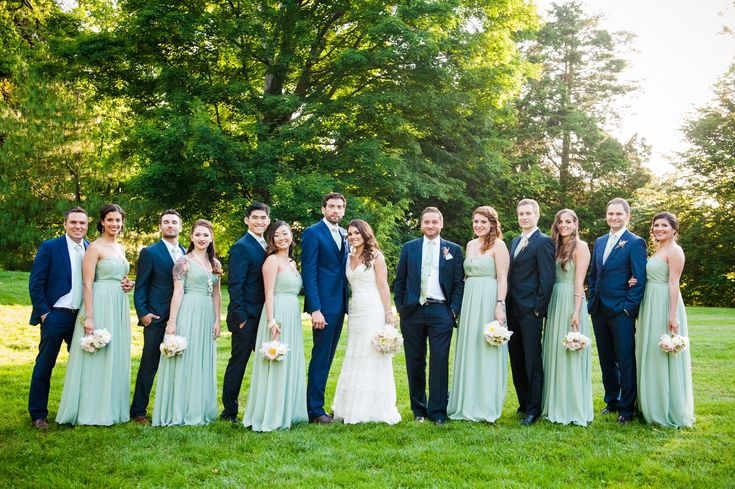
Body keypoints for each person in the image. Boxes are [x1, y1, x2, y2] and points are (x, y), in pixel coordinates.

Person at [56, 204, 133, 426]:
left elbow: (120, 276)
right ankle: (91, 410)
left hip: (118, 304)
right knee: (97, 358)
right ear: (101, 222)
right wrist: (89, 317)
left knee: (114, 355)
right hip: (99, 303)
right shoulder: (94, 248)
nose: (114, 224)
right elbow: (87, 284)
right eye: (110, 220)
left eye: (118, 220)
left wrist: (129, 283)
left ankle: (112, 408)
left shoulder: (120, 248)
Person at [394, 207, 464, 425]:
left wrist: (452, 309)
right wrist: (401, 306)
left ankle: (438, 411)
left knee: (439, 361)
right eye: (426, 222)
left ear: (441, 224)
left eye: (434, 222)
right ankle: (419, 410)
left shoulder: (453, 249)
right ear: (421, 224)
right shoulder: (410, 248)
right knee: (414, 361)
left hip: (441, 310)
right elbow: (400, 280)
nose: (430, 225)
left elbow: (458, 283)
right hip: (413, 311)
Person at [28, 207, 94, 429]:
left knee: (84, 365)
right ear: (65, 224)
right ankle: (38, 414)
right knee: (45, 364)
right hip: (56, 315)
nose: (78, 227)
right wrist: (45, 314)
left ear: (87, 226)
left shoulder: (90, 248)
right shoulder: (50, 247)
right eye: (74, 222)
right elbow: (36, 283)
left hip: (80, 318)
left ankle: (81, 410)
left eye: (82, 223)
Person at [152, 219, 222, 426]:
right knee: (186, 360)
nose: (202, 238)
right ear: (191, 237)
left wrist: (217, 320)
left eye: (206, 235)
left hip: (207, 314)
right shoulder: (183, 262)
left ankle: (200, 408)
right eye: (198, 234)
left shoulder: (215, 264)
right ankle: (180, 409)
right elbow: (178, 291)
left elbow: (217, 295)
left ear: (211, 239)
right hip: (188, 312)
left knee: (202, 359)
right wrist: (172, 322)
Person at [331, 219, 401, 425]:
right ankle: (349, 405)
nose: (352, 237)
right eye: (350, 234)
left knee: (371, 353)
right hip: (356, 310)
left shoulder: (376, 256)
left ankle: (373, 407)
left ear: (365, 234)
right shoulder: (349, 256)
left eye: (356, 233)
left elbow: (382, 286)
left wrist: (389, 312)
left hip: (373, 308)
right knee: (355, 352)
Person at [243, 221, 308, 431]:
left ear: (291, 236)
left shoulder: (292, 262)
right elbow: (268, 293)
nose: (282, 238)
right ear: (272, 239)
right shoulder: (271, 261)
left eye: (286, 233)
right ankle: (270, 413)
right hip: (277, 312)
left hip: (292, 313)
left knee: (289, 360)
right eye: (277, 235)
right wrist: (271, 320)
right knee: (275, 361)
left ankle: (289, 411)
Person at [448, 206, 510, 423]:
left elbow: (502, 278)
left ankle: (484, 405)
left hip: (489, 298)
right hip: (470, 299)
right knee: (470, 347)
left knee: (486, 348)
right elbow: (466, 276)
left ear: (492, 223)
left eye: (483, 222)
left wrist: (500, 304)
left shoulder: (499, 246)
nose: (478, 225)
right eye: (475, 221)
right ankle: (465, 401)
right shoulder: (471, 244)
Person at [588, 197, 647, 424]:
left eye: (619, 214)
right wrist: (593, 298)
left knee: (624, 359)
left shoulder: (635, 242)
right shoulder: (600, 241)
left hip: (621, 310)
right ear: (606, 215)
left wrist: (627, 308)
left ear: (627, 216)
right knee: (606, 359)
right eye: (611, 213)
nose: (614, 217)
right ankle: (611, 400)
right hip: (599, 309)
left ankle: (626, 408)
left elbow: (639, 278)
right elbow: (594, 275)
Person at [635, 212, 694, 428]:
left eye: (664, 226)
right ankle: (649, 403)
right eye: (656, 225)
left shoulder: (675, 251)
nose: (659, 229)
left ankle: (665, 408)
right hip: (649, 303)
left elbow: (673, 283)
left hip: (664, 304)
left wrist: (672, 315)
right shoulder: (659, 249)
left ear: (674, 229)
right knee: (650, 351)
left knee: (662, 354)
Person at [130, 209, 185, 424]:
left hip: (181, 316)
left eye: (174, 222)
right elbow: (140, 285)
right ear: (160, 227)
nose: (170, 225)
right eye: (166, 222)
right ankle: (138, 411)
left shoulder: (185, 252)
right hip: (156, 316)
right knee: (149, 364)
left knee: (177, 362)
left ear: (180, 227)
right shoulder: (150, 252)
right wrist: (143, 313)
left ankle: (173, 406)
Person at [541, 209, 594, 426]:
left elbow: (579, 281)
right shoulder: (554, 246)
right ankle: (553, 403)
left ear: (575, 224)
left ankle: (572, 406)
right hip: (554, 300)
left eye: (568, 222)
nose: (564, 225)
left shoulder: (580, 247)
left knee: (570, 352)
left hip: (572, 301)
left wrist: (576, 310)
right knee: (554, 350)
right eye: (560, 221)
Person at [221, 203, 271, 423]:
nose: (259, 222)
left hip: (264, 315)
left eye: (263, 218)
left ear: (268, 220)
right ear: (246, 220)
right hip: (246, 317)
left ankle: (264, 408)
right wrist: (240, 317)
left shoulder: (267, 245)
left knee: (267, 362)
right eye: (255, 218)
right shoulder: (242, 246)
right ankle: (229, 412)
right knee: (238, 363)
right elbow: (235, 284)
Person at [302, 193, 349, 424]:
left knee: (328, 356)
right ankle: (314, 410)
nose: (336, 211)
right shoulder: (312, 233)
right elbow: (309, 272)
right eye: (331, 206)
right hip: (323, 306)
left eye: (340, 207)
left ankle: (316, 404)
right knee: (320, 357)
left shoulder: (345, 234)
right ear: (323, 209)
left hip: (340, 304)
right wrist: (315, 309)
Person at [507, 198, 555, 425]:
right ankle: (523, 401)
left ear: (537, 215)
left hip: (530, 311)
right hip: (511, 309)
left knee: (532, 359)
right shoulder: (515, 240)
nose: (524, 217)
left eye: (528, 213)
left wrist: (538, 309)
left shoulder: (544, 242)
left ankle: (534, 409)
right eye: (520, 214)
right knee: (516, 357)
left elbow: (547, 278)